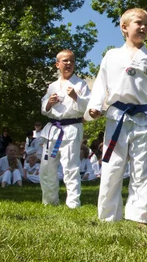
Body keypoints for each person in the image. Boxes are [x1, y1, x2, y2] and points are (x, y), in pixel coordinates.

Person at [85, 8, 147, 224]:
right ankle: (108, 216)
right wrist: (95, 106)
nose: (143, 27)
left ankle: (139, 216)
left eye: (146, 24)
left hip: (144, 118)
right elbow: (100, 83)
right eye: (138, 23)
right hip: (117, 118)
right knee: (112, 167)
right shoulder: (112, 56)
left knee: (142, 169)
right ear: (124, 27)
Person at [39, 49, 90, 209]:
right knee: (46, 166)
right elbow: (43, 108)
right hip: (53, 128)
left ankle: (73, 203)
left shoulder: (81, 84)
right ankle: (49, 201)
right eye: (65, 61)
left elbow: (88, 107)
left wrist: (76, 97)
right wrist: (49, 103)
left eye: (72, 61)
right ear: (57, 64)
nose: (69, 64)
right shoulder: (52, 86)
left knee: (70, 166)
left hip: (72, 127)